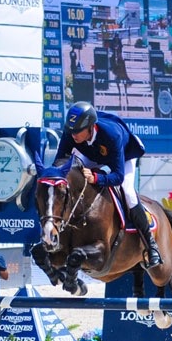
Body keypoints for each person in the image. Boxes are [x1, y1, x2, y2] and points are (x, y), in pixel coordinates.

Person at [51, 100, 162, 267]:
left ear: (90, 127)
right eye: (71, 130)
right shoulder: (71, 133)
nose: (73, 135)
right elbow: (59, 162)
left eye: (78, 131)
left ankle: (151, 245)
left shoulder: (112, 135)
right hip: (91, 154)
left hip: (123, 156)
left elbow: (118, 176)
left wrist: (96, 178)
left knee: (128, 192)